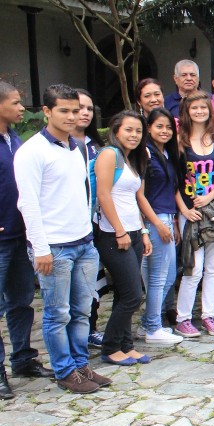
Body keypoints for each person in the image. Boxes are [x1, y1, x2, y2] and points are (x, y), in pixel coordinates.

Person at [15, 84, 110, 393]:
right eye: (64, 111)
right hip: (54, 248)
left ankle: (81, 365)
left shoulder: (78, 147)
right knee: (58, 314)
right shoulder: (31, 152)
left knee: (82, 311)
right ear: (46, 111)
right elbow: (27, 203)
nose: (73, 116)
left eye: (77, 110)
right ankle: (64, 370)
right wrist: (40, 248)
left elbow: (82, 193)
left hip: (83, 243)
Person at [0, 81, 55, 399]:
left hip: (21, 234)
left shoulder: (14, 139)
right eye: (16, 102)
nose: (23, 108)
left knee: (21, 302)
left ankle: (23, 359)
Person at [92, 110, 155, 366]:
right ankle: (109, 347)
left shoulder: (132, 160)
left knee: (125, 293)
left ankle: (126, 345)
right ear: (115, 130)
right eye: (128, 130)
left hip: (133, 231)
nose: (134, 135)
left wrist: (143, 231)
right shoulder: (110, 155)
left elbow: (132, 200)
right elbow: (104, 195)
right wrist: (119, 230)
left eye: (139, 131)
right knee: (132, 294)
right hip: (112, 233)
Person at [173, 91, 214, 338]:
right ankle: (183, 318)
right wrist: (183, 210)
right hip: (190, 213)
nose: (199, 112)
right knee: (192, 268)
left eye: (203, 107)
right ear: (186, 111)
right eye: (194, 107)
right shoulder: (179, 140)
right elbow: (173, 180)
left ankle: (209, 315)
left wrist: (208, 198)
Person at [137, 108, 184, 345]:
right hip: (154, 220)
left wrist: (174, 221)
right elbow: (140, 194)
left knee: (167, 276)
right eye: (159, 126)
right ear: (149, 128)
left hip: (167, 218)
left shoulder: (166, 153)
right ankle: (153, 327)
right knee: (157, 278)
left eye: (168, 127)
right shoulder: (145, 153)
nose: (164, 131)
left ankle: (148, 322)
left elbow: (170, 189)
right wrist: (156, 223)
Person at [70, 90, 108, 348]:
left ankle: (91, 327)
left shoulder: (96, 145)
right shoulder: (59, 144)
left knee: (92, 278)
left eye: (89, 109)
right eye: (78, 108)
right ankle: (71, 334)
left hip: (95, 221)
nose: (84, 113)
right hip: (68, 224)